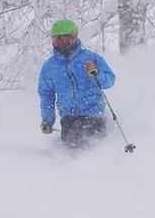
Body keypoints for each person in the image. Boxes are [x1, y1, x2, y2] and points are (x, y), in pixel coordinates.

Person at [38, 19, 116, 149]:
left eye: (68, 40)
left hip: (94, 113)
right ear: (53, 41)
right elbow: (46, 95)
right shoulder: (49, 66)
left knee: (96, 147)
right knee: (72, 149)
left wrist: (97, 74)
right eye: (58, 40)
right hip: (69, 116)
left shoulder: (91, 58)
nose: (64, 45)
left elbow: (109, 81)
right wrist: (47, 119)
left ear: (76, 38)